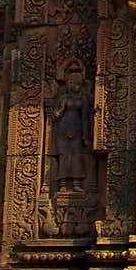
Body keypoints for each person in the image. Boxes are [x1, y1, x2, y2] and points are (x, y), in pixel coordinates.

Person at [51, 61, 92, 191]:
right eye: (71, 83)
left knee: (76, 156)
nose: (74, 86)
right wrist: (62, 107)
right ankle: (62, 184)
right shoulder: (63, 98)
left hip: (77, 129)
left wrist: (86, 137)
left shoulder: (83, 100)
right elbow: (55, 116)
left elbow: (85, 118)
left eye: (76, 84)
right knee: (63, 155)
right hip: (62, 130)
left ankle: (76, 184)